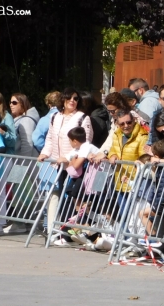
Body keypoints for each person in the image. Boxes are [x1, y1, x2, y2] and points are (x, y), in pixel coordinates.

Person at [38, 88, 94, 234]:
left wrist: (68, 157)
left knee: (71, 198)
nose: (72, 101)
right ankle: (57, 230)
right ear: (62, 100)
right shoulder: (55, 117)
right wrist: (44, 153)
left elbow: (85, 144)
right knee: (58, 195)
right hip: (59, 164)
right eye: (69, 98)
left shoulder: (83, 118)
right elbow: (50, 138)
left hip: (75, 165)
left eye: (76, 99)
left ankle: (72, 231)